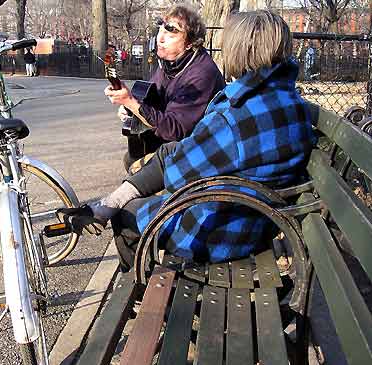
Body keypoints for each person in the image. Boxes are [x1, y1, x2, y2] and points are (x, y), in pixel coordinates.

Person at [57, 10, 316, 272]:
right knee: (161, 157)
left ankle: (142, 288)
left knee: (128, 216)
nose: (162, 35)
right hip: (257, 216)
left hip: (222, 229)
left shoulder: (238, 115)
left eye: (171, 30)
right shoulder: (292, 103)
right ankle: (107, 205)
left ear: (241, 50)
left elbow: (177, 175)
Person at [105, 5, 225, 171]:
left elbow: (174, 129)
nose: (160, 37)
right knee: (132, 157)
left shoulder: (201, 75)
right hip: (170, 146)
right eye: (161, 28)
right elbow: (151, 100)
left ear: (189, 42)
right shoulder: (169, 65)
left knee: (137, 167)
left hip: (197, 154)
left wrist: (131, 102)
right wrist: (129, 107)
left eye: (171, 31)